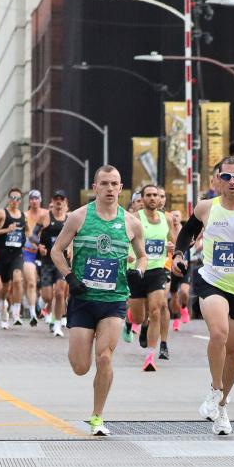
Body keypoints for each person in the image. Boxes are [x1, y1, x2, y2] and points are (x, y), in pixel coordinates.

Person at [174, 157, 234, 436]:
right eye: (226, 177)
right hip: (211, 281)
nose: (232, 182)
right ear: (217, 179)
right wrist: (179, 255)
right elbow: (186, 234)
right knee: (219, 333)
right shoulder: (207, 208)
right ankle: (215, 391)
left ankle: (223, 406)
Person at [49, 165, 147, 436]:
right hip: (83, 299)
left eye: (114, 184)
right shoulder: (78, 217)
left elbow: (142, 255)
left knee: (105, 357)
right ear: (95, 187)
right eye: (104, 184)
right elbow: (56, 251)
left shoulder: (131, 222)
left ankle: (97, 417)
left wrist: (138, 271)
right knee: (81, 367)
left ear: (121, 187)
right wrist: (69, 278)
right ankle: (81, 360)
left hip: (114, 299)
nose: (110, 189)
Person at [129, 184, 177, 371]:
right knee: (139, 316)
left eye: (155, 195)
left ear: (160, 199)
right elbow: (124, 239)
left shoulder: (167, 218)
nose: (152, 198)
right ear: (142, 199)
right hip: (137, 270)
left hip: (157, 269)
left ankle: (150, 357)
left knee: (157, 310)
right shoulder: (134, 218)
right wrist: (128, 255)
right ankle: (143, 324)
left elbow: (172, 239)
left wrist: (172, 248)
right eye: (148, 195)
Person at [0, 189, 28, 329]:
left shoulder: (23, 216)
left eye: (18, 199)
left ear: (21, 201)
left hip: (16, 254)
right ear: (8, 199)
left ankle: (16, 312)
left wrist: (33, 243)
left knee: (17, 280)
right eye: (12, 198)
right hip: (2, 254)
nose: (15, 201)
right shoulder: (1, 213)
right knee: (3, 288)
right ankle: (2, 304)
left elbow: (27, 231)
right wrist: (6, 230)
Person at [36, 191, 70, 337]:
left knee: (60, 292)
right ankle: (44, 305)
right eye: (56, 199)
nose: (58, 202)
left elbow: (76, 236)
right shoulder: (45, 217)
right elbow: (32, 233)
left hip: (62, 262)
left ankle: (57, 325)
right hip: (47, 261)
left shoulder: (70, 219)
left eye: (61, 199)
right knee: (48, 296)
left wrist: (71, 248)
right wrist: (39, 246)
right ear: (52, 201)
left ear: (65, 202)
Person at [22, 190, 49, 326]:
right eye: (31, 198)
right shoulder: (24, 216)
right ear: (29, 201)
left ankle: (43, 308)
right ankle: (33, 313)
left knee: (46, 285)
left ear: (40, 200)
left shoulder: (46, 214)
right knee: (31, 282)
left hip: (44, 252)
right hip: (29, 251)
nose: (34, 201)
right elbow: (27, 234)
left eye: (36, 198)